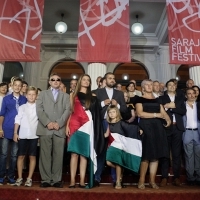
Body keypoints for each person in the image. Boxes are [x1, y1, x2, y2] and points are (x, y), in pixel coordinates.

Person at [66, 74, 104, 188]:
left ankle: (82, 180)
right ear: (80, 81)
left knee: (83, 154)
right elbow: (70, 111)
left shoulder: (93, 96)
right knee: (74, 154)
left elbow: (96, 114)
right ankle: (72, 180)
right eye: (84, 79)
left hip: (87, 126)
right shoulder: (73, 95)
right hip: (74, 124)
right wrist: (66, 126)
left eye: (88, 80)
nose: (86, 81)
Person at [94, 72, 130, 187]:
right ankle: (96, 178)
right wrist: (102, 103)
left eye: (113, 78)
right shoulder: (97, 92)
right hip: (101, 124)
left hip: (116, 125)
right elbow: (92, 108)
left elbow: (125, 111)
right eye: (110, 78)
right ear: (105, 80)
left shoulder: (119, 93)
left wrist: (118, 105)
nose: (112, 80)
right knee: (100, 151)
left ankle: (116, 180)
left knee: (115, 152)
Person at [36, 73, 70, 188]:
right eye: (53, 79)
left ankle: (56, 180)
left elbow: (67, 110)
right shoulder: (43, 94)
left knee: (58, 155)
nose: (55, 81)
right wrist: (48, 123)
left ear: (60, 82)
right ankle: (45, 179)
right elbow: (39, 110)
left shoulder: (65, 96)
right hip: (45, 128)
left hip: (59, 129)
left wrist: (59, 123)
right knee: (45, 155)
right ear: (49, 82)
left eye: (58, 79)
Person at [135, 79, 171, 190]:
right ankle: (141, 181)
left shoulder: (157, 99)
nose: (150, 86)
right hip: (146, 127)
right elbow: (140, 113)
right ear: (143, 88)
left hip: (158, 128)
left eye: (151, 84)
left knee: (156, 156)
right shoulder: (139, 99)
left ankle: (152, 181)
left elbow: (163, 113)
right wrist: (156, 115)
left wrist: (168, 119)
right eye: (147, 85)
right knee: (146, 155)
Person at [105, 105, 142, 189]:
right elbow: (106, 134)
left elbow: (130, 128)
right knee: (108, 162)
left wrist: (138, 129)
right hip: (112, 146)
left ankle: (118, 182)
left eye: (113, 112)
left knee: (118, 162)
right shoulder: (109, 124)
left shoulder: (121, 122)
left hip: (121, 146)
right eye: (110, 112)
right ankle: (122, 169)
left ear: (117, 113)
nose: (111, 114)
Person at [159, 80, 186, 187]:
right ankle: (164, 177)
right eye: (169, 85)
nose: (172, 86)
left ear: (175, 87)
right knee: (165, 153)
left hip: (177, 128)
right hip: (166, 128)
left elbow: (183, 111)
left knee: (176, 154)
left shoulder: (180, 98)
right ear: (166, 87)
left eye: (173, 85)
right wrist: (168, 106)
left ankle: (177, 177)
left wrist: (170, 107)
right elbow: (160, 110)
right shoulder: (161, 98)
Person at [0, 78, 27, 185]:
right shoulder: (6, 99)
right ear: (12, 86)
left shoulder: (24, 100)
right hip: (6, 128)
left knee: (14, 154)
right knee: (3, 154)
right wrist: (0, 128)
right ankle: (1, 176)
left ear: (21, 87)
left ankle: (11, 176)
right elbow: (2, 114)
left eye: (19, 85)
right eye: (15, 85)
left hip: (18, 131)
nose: (17, 87)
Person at [13, 86, 38, 187]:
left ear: (36, 96)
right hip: (22, 134)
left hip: (34, 135)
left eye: (33, 94)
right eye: (29, 94)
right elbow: (17, 120)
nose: (31, 96)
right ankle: (19, 178)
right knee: (21, 156)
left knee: (32, 156)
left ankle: (29, 178)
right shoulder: (22, 107)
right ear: (26, 95)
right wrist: (15, 133)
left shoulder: (38, 107)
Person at [183, 88, 200, 186]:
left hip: (198, 132)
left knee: (198, 156)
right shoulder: (182, 105)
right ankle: (190, 177)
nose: (191, 95)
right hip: (187, 132)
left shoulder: (199, 105)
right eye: (189, 93)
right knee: (188, 156)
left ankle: (198, 177)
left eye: (193, 93)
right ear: (186, 95)